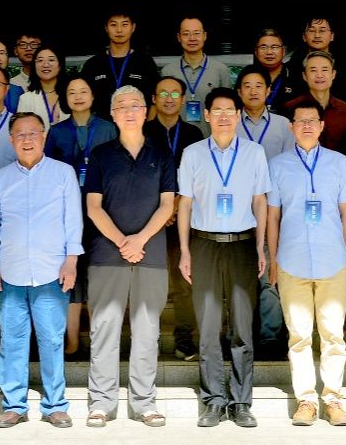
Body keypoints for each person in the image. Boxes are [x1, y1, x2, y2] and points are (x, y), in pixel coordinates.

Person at [177, 87, 271, 428]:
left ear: (238, 115)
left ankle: (241, 402)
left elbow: (260, 201)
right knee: (208, 326)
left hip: (243, 244)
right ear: (206, 115)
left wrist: (260, 247)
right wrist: (185, 250)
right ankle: (214, 400)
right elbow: (185, 204)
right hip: (204, 245)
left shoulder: (254, 153)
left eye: (230, 110)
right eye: (216, 110)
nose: (223, 116)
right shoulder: (192, 154)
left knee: (243, 326)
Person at [83, 87, 176, 428]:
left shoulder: (162, 154)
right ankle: (101, 403)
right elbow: (93, 207)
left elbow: (168, 204)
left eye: (135, 105)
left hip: (151, 254)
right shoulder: (101, 155)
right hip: (107, 255)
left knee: (147, 330)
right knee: (104, 329)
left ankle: (144, 403)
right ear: (112, 114)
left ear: (146, 111)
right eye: (121, 106)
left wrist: (140, 240)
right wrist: (123, 241)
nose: (129, 111)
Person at [0, 112, 82, 429]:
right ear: (11, 140)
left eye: (33, 133)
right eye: (20, 134)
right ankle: (14, 406)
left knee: (52, 340)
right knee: (12, 341)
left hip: (52, 271)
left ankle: (55, 405)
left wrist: (71, 260)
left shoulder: (63, 173)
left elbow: (73, 219)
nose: (27, 140)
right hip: (10, 274)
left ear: (44, 136)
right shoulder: (0, 178)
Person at [266, 100, 346, 427]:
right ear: (291, 127)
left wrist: (343, 253)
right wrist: (273, 259)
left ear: (322, 126)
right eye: (300, 121)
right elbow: (273, 216)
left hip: (333, 261)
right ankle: (306, 400)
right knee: (299, 336)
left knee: (333, 335)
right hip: (291, 260)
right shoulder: (278, 165)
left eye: (312, 121)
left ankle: (333, 399)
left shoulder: (338, 162)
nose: (306, 125)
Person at [46, 74, 119, 355]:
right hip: (65, 214)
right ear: (65, 98)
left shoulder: (108, 128)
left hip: (103, 213)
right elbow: (48, 172)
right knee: (71, 278)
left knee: (100, 275)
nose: (78, 96)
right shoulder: (56, 131)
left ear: (93, 95)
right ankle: (72, 339)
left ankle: (102, 342)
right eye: (72, 92)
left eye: (83, 90)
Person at [143, 76, 205, 360]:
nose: (169, 99)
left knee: (184, 280)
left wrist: (176, 205)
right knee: (150, 281)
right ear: (154, 99)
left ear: (183, 100)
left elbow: (200, 176)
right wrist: (161, 208)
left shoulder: (193, 134)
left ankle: (184, 340)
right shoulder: (143, 131)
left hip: (184, 217)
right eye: (163, 93)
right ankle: (148, 340)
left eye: (175, 94)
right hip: (149, 218)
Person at [160, 16, 234, 133]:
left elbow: (229, 108)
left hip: (210, 137)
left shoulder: (220, 70)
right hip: (177, 137)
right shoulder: (168, 71)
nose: (192, 38)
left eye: (197, 33)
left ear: (205, 36)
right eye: (186, 34)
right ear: (179, 37)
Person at [80, 10, 160, 116]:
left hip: (137, 124)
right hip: (101, 125)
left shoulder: (145, 62)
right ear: (106, 28)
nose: (119, 30)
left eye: (124, 24)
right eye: (113, 25)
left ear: (133, 27)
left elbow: (155, 100)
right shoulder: (93, 64)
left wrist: (149, 124)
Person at [283, 51, 346, 150]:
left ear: (333, 74)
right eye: (313, 70)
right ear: (304, 76)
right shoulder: (290, 107)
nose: (319, 75)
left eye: (324, 70)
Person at [235, 64, 296, 160]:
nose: (253, 92)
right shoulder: (230, 124)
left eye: (258, 86)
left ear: (267, 91)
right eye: (247, 86)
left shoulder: (283, 124)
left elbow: (290, 160)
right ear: (239, 92)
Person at [16, 45, 69, 126]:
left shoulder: (71, 94)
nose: (46, 65)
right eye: (40, 60)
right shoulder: (26, 99)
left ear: (60, 65)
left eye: (51, 60)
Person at [252, 29, 300, 116]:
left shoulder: (296, 75)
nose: (269, 52)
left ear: (283, 51)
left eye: (274, 47)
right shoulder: (248, 75)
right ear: (256, 52)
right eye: (263, 47)